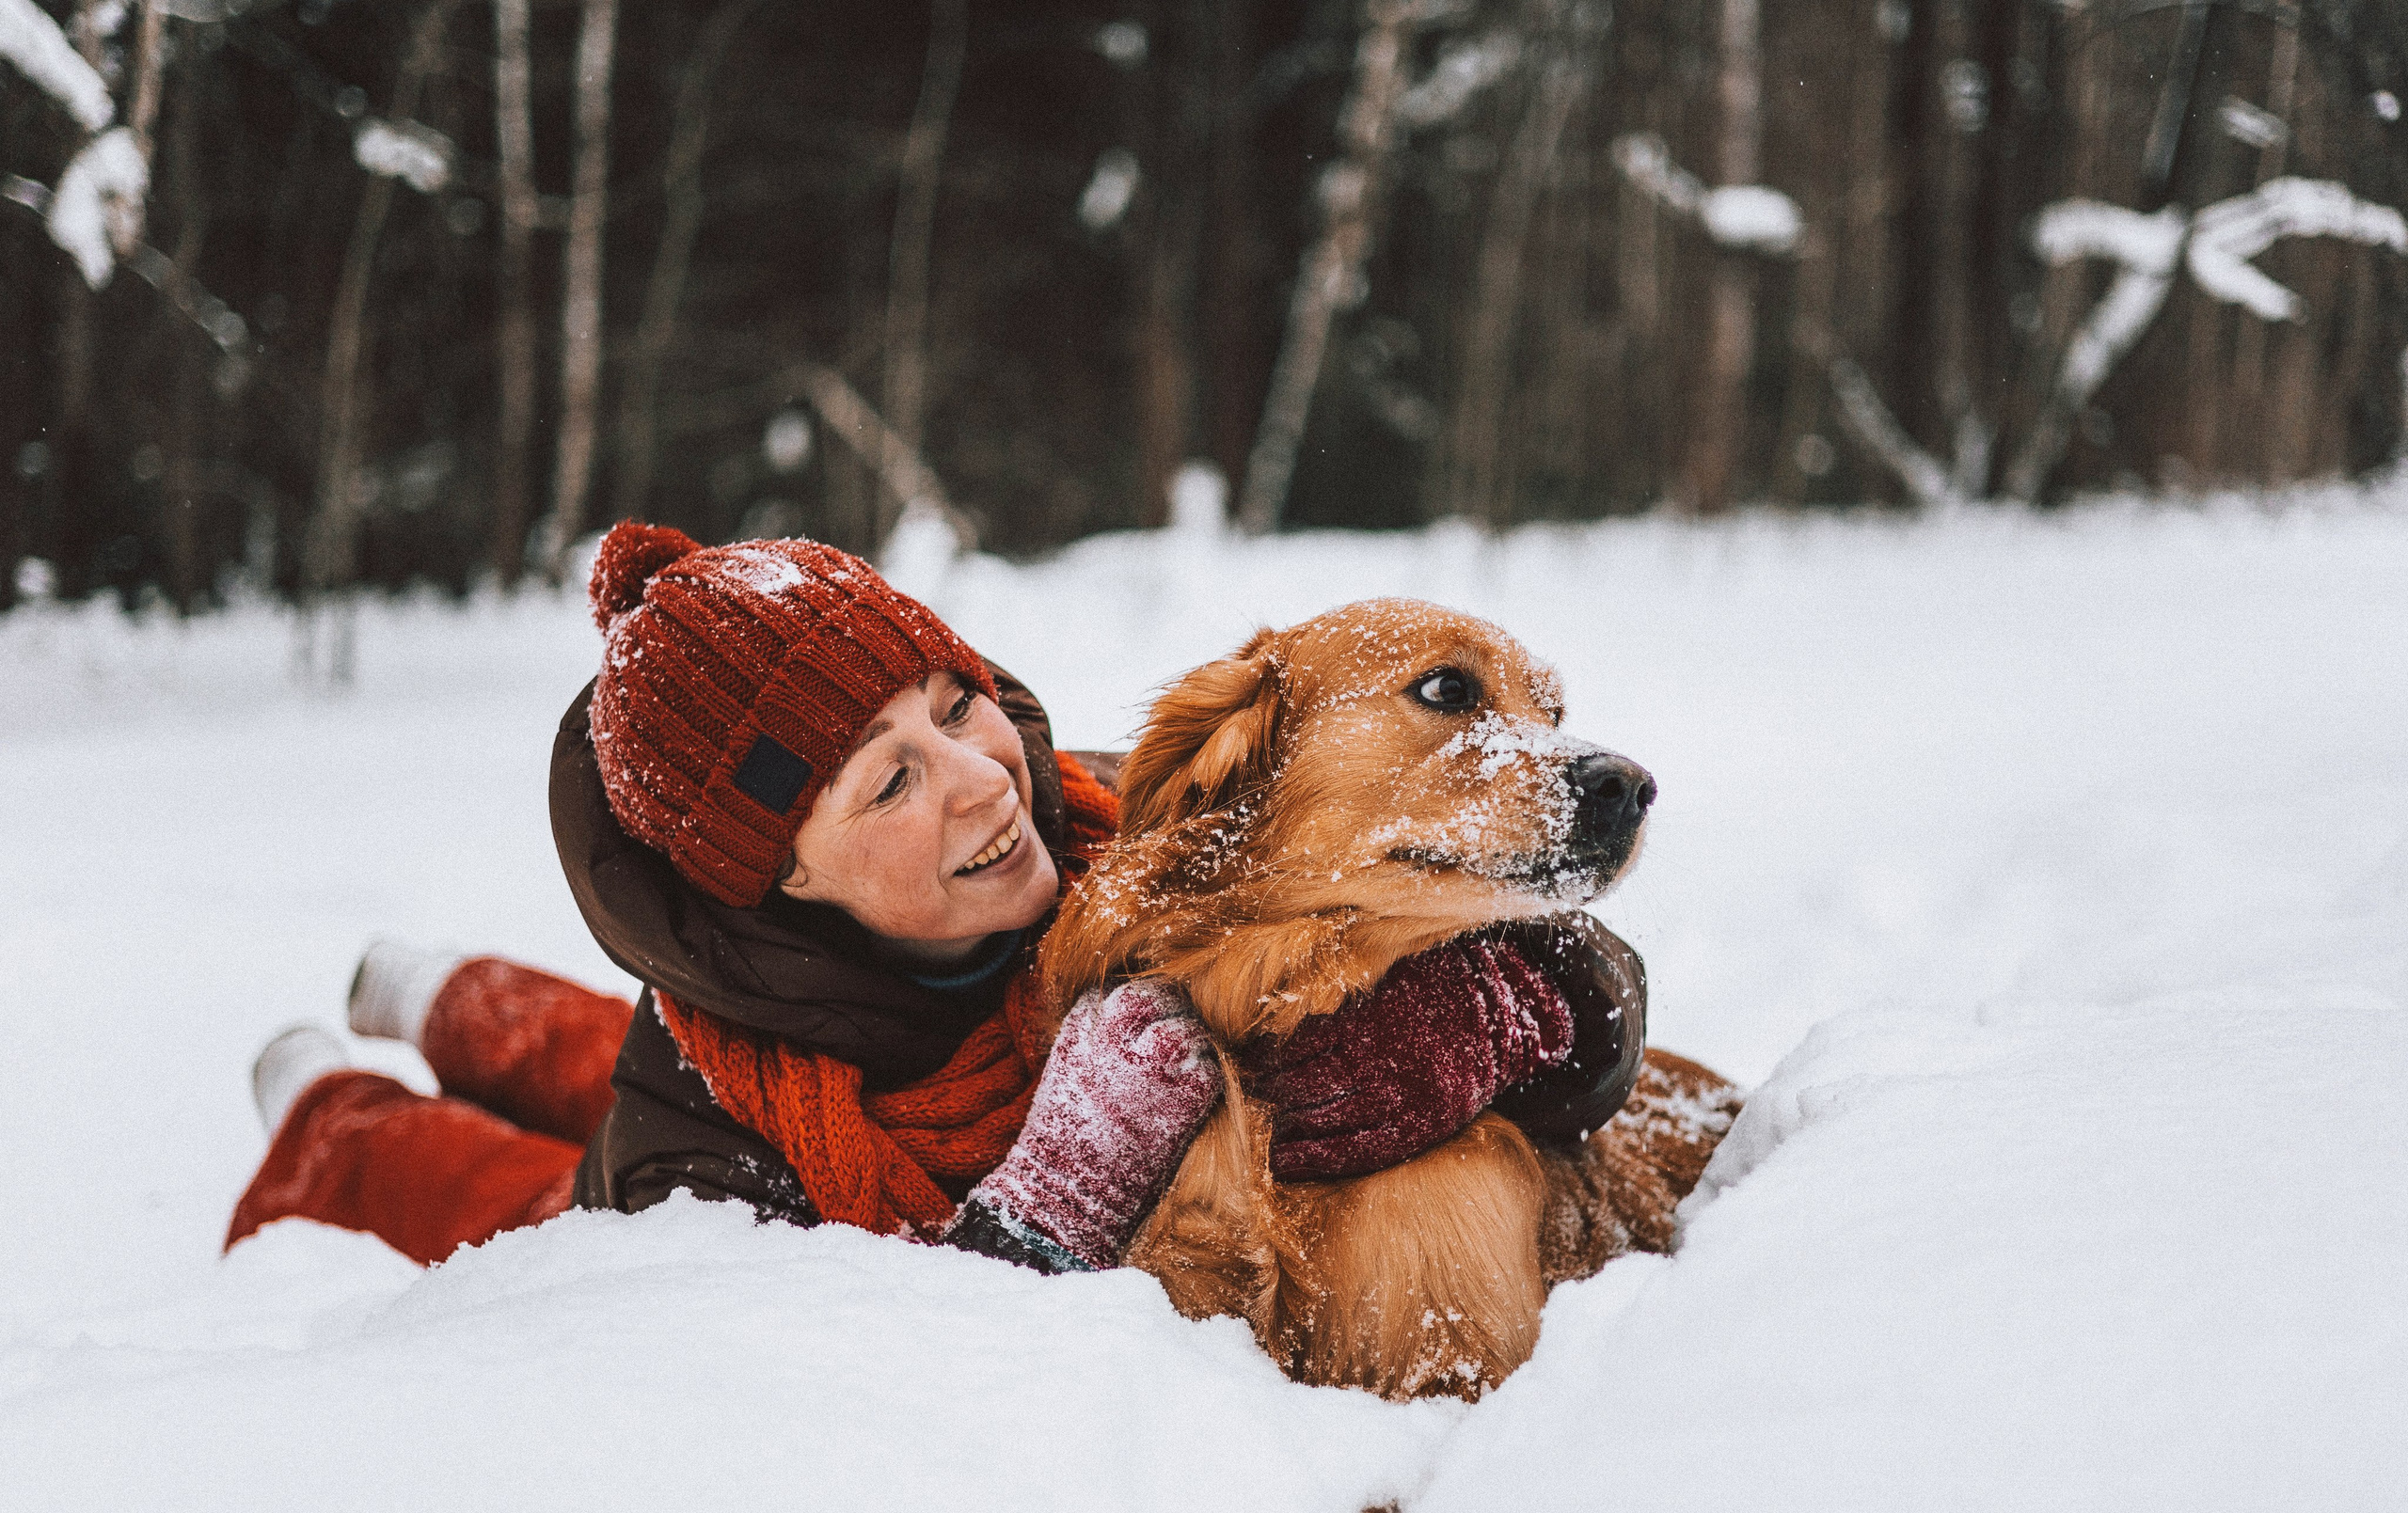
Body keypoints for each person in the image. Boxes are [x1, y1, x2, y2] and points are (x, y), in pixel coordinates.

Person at [228, 523, 1643, 1274]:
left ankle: (444, 989)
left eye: (957, 705)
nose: (980, 782)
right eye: (885, 784)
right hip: (633, 1151)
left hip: (677, 1019)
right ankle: (327, 1101)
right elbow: (881, 1393)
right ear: (780, 881)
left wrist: (1506, 1008)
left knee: (562, 1032)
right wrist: (1043, 1200)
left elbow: (1588, 956)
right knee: (499, 1179)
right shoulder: (702, 1148)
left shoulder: (1104, 813)